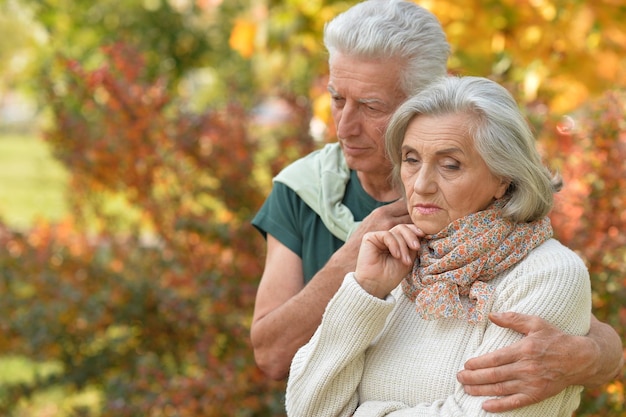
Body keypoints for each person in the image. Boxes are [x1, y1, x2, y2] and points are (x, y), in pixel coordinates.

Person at [251, 0, 623, 412]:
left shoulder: (480, 213)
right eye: (338, 99)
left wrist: (599, 356)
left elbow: (549, 281)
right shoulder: (310, 195)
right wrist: (353, 273)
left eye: (372, 106)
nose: (343, 126)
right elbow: (279, 369)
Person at [285, 75, 591, 416]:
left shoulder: (549, 275)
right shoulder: (400, 266)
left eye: (450, 165)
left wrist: (360, 411)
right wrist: (367, 292)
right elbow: (305, 408)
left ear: (503, 178)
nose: (421, 184)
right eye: (411, 160)